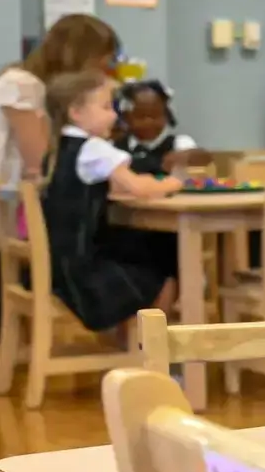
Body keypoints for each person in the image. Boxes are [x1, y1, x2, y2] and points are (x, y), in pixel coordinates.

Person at [40, 71, 182, 335]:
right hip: (85, 279)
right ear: (76, 112)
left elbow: (115, 184)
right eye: (106, 107)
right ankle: (154, 355)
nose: (115, 115)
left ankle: (131, 348)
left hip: (59, 269)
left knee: (141, 249)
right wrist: (176, 183)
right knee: (165, 262)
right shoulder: (93, 148)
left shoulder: (57, 147)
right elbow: (139, 187)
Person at [0, 14, 119, 189]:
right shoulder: (21, 84)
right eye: (99, 64)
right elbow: (39, 160)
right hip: (13, 199)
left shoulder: (46, 88)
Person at [114, 79, 214, 175]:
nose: (149, 122)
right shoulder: (117, 146)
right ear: (126, 118)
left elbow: (204, 159)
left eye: (155, 115)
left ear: (167, 116)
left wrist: (188, 156)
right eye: (141, 117)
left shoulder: (178, 143)